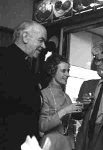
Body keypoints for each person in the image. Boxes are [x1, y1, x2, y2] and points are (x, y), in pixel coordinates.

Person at [0, 21, 47, 150]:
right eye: (41, 40)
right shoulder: (3, 59)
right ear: (25, 37)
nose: (43, 46)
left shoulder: (26, 65)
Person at [39, 54, 83, 150]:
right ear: (53, 71)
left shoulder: (66, 97)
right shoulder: (44, 94)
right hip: (51, 145)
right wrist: (64, 111)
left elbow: (71, 126)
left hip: (68, 144)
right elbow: (42, 126)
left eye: (68, 71)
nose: (67, 74)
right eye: (63, 71)